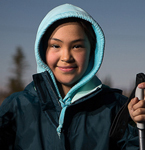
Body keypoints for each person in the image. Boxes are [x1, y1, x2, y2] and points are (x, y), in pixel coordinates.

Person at [0, 3, 145, 150]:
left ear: (92, 51)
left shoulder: (118, 109)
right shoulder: (17, 106)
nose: (66, 57)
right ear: (42, 50)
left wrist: (138, 125)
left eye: (77, 46)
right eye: (56, 46)